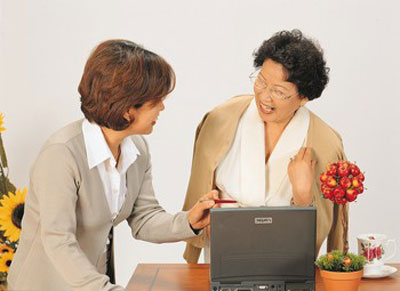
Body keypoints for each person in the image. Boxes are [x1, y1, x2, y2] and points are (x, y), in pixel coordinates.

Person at [8, 40, 217, 291]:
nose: (162, 107)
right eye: (156, 100)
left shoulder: (137, 149)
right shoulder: (61, 154)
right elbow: (58, 240)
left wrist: (190, 222)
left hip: (92, 284)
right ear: (126, 105)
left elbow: (144, 219)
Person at [182, 29, 348, 263]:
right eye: (261, 81)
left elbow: (322, 231)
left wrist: (302, 196)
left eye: (279, 91)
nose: (264, 97)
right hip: (223, 252)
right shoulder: (222, 118)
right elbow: (200, 185)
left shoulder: (325, 143)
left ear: (303, 98)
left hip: (286, 262)